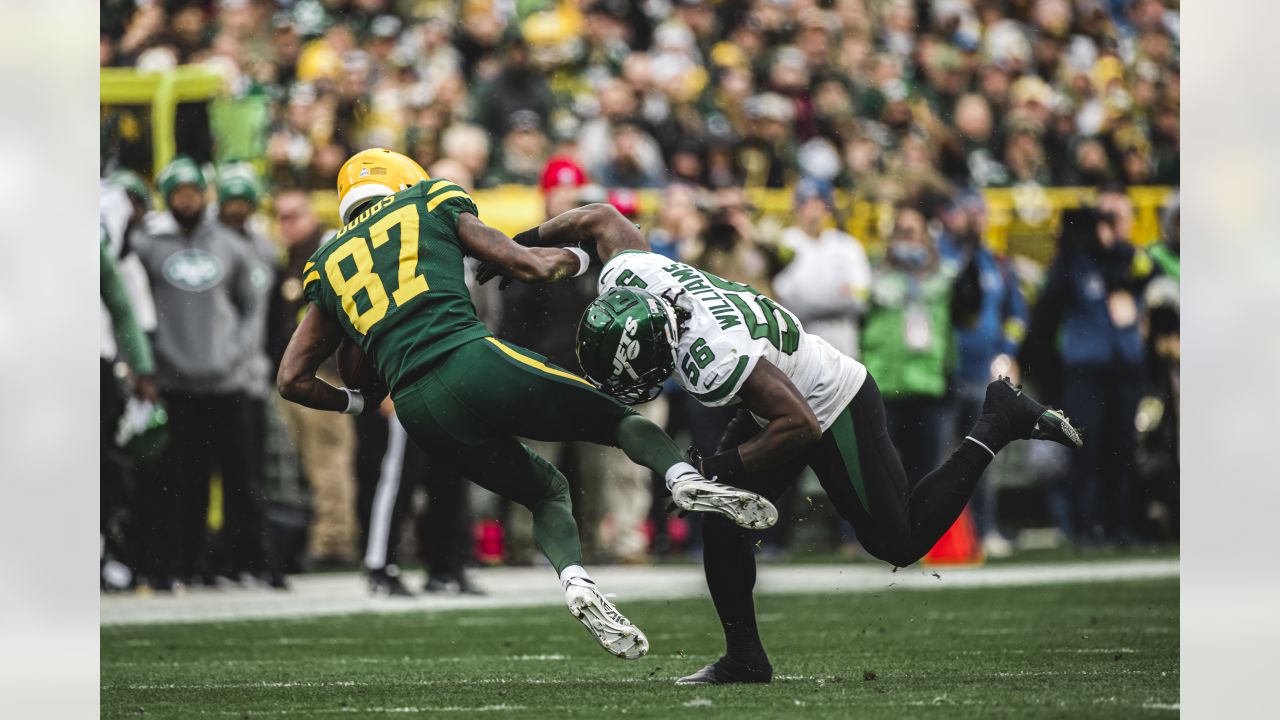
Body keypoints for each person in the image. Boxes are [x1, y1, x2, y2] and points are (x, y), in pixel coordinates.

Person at [484, 200, 1082, 683]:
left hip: (831, 398)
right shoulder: (633, 272)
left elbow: (801, 427)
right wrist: (522, 242)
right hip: (781, 391)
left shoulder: (711, 355)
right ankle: (745, 659)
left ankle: (996, 422)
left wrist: (716, 463)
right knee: (720, 511)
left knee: (896, 540)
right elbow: (600, 219)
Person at [276, 148, 778, 660]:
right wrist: (586, 255)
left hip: (417, 407)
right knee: (617, 418)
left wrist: (358, 402)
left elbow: (292, 379)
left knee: (545, 492)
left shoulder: (327, 262)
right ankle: (682, 479)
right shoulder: (428, 201)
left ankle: (576, 580)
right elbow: (530, 266)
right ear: (405, 180)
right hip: (468, 357)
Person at [130, 156, 279, 590]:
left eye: (194, 193)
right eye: (180, 194)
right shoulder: (147, 244)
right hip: (174, 383)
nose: (188, 201)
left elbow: (253, 310)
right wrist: (152, 359)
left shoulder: (231, 245)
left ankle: (239, 564)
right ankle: (180, 564)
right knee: (178, 483)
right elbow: (134, 307)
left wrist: (235, 356)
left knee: (240, 479)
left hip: (226, 382)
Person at [268, 190, 359, 567]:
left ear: (310, 215)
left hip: (324, 373)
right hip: (306, 373)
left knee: (329, 460)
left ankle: (333, 541)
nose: (286, 225)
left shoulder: (326, 251)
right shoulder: (291, 256)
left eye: (294, 215)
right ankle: (328, 535)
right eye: (281, 217)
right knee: (313, 463)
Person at [936, 191, 1029, 557]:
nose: (976, 219)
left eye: (980, 213)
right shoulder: (940, 259)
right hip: (944, 374)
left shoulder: (998, 263)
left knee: (982, 458)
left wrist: (1007, 349)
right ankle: (938, 534)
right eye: (968, 212)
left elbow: (1019, 315)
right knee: (943, 460)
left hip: (983, 373)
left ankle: (986, 528)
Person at [771, 178, 871, 359]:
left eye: (819, 204)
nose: (813, 212)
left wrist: (809, 297)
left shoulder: (847, 245)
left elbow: (861, 297)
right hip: (799, 342)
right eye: (806, 204)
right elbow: (782, 301)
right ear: (797, 208)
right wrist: (838, 295)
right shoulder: (784, 243)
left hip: (843, 342)